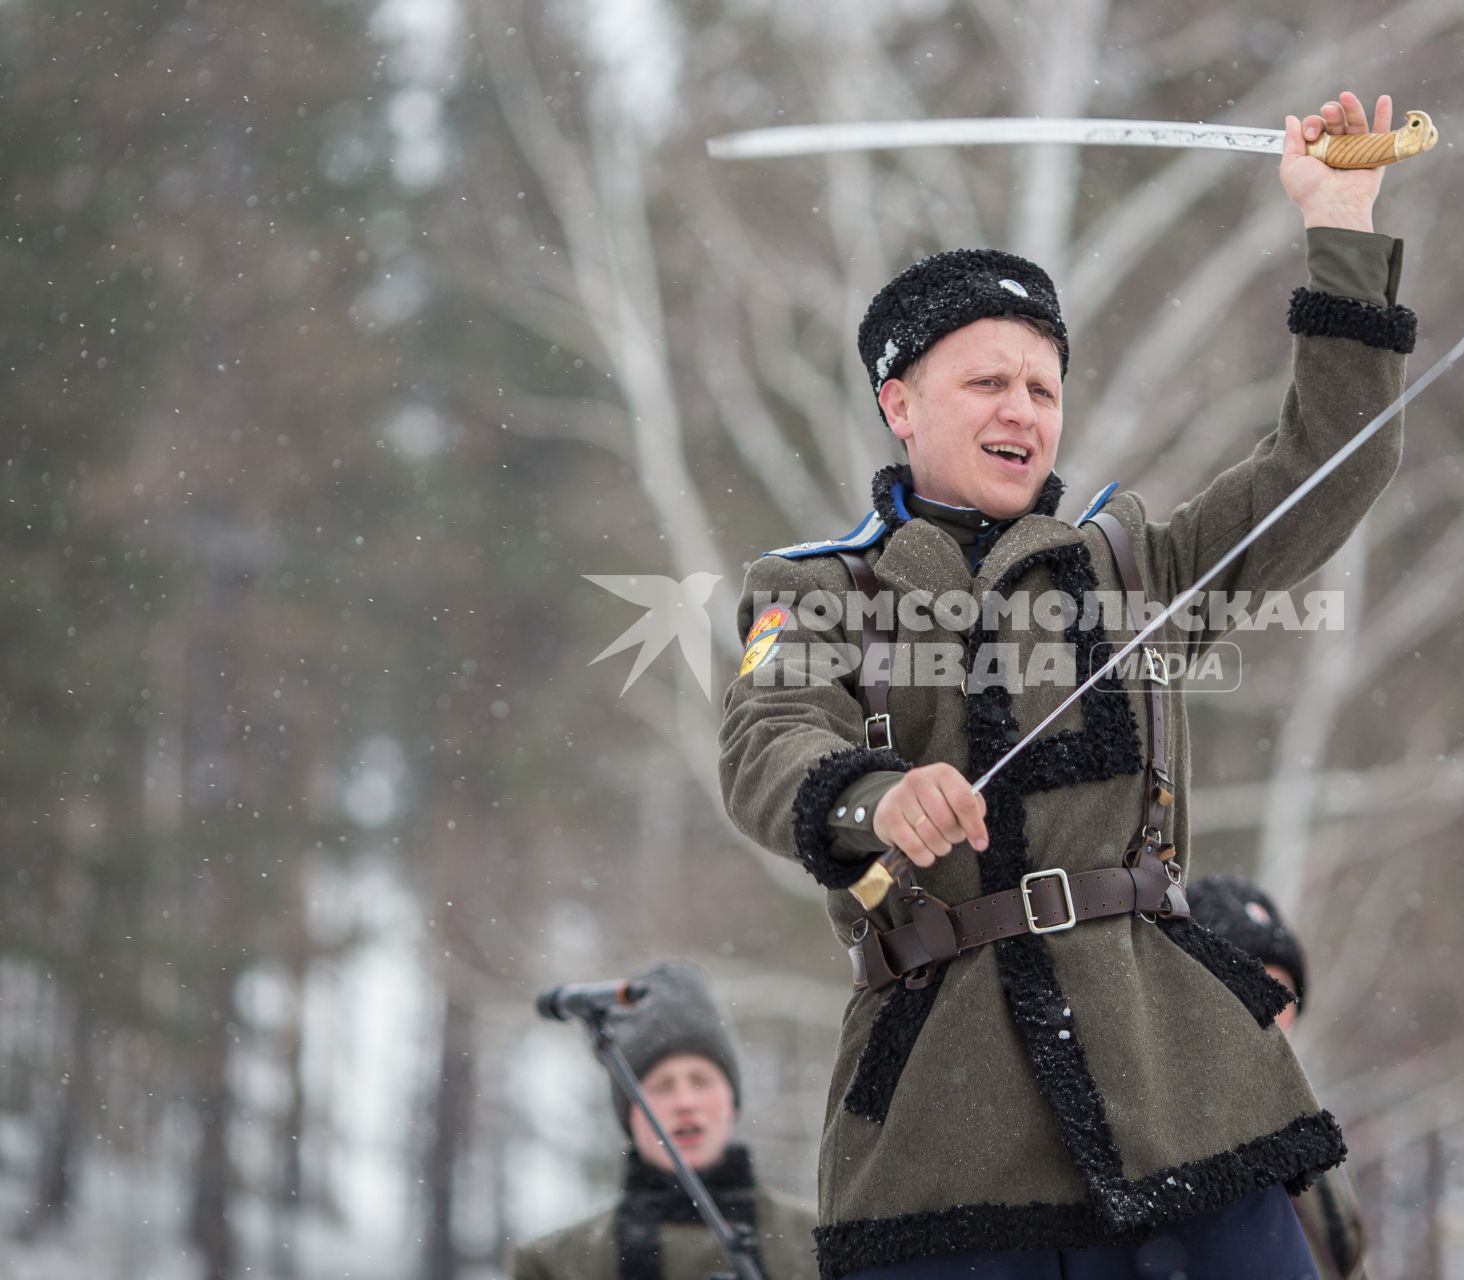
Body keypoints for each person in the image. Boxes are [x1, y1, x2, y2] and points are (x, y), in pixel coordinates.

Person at [719, 91, 1417, 1279]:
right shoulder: (811, 585)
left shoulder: (1140, 563)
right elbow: (768, 737)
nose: (1022, 411)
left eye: (1042, 388)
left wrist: (1340, 225)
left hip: (1181, 1087)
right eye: (987, 382)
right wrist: (875, 796)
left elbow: (1334, 460)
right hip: (942, 1128)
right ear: (900, 405)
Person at [510, 961, 817, 1280]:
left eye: (701, 1080)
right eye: (661, 1087)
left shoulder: (819, 1243)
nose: (685, 1103)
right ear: (628, 1113)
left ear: (731, 1099)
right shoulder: (553, 1265)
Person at [1187, 875, 1372, 1279]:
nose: (1275, 1010)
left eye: (1284, 991)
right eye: (1255, 987)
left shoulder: (1313, 1131)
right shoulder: (1170, 1141)